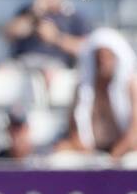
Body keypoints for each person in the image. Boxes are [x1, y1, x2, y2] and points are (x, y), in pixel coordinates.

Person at [57, 29, 137, 158]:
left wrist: (113, 157)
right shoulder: (83, 89)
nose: (103, 62)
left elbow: (134, 132)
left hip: (125, 150)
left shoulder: (132, 86)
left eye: (107, 57)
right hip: (92, 152)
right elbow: (74, 129)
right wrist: (88, 153)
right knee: (61, 152)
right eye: (99, 58)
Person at [4, 0, 90, 71]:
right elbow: (9, 34)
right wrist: (33, 15)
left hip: (56, 65)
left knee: (48, 74)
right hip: (23, 63)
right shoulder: (26, 11)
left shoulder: (73, 16)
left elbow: (85, 48)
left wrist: (56, 38)